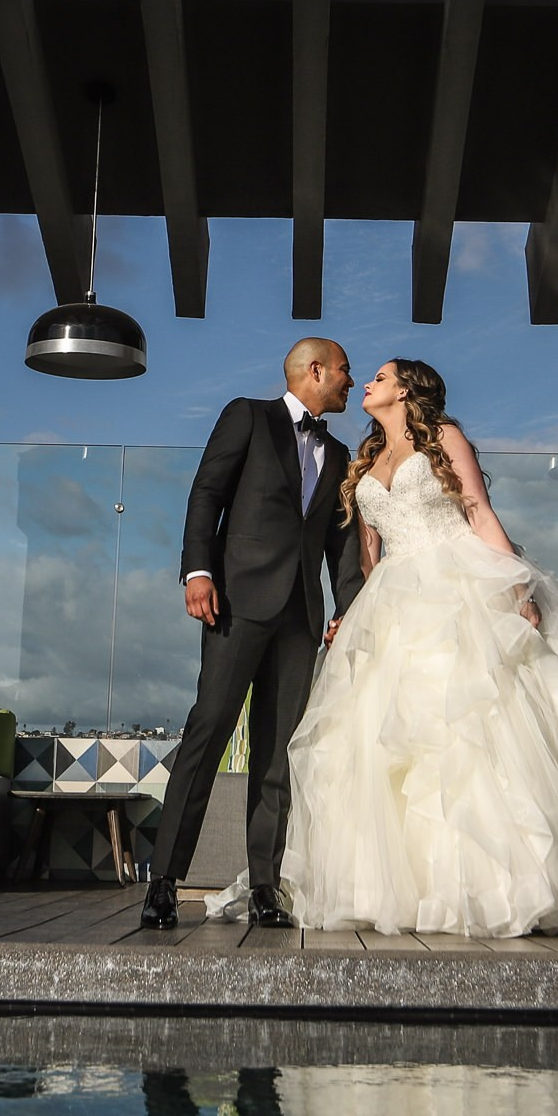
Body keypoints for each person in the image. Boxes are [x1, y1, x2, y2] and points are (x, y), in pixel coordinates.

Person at [278, 357, 558, 936]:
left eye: (381, 376)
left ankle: (496, 887)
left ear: (408, 390)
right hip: (393, 599)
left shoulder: (443, 437)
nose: (367, 383)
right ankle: (408, 889)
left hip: (456, 583)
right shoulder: (366, 458)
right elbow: (367, 554)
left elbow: (477, 512)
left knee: (470, 729)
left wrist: (518, 589)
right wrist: (355, 615)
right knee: (386, 739)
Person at [141, 337, 361, 930]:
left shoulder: (340, 453)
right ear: (315, 371)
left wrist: (349, 610)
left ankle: (266, 886)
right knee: (208, 730)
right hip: (235, 605)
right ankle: (163, 881)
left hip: (300, 617)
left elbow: (341, 543)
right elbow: (207, 493)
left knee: (278, 752)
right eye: (344, 370)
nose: (351, 380)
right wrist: (198, 571)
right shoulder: (248, 416)